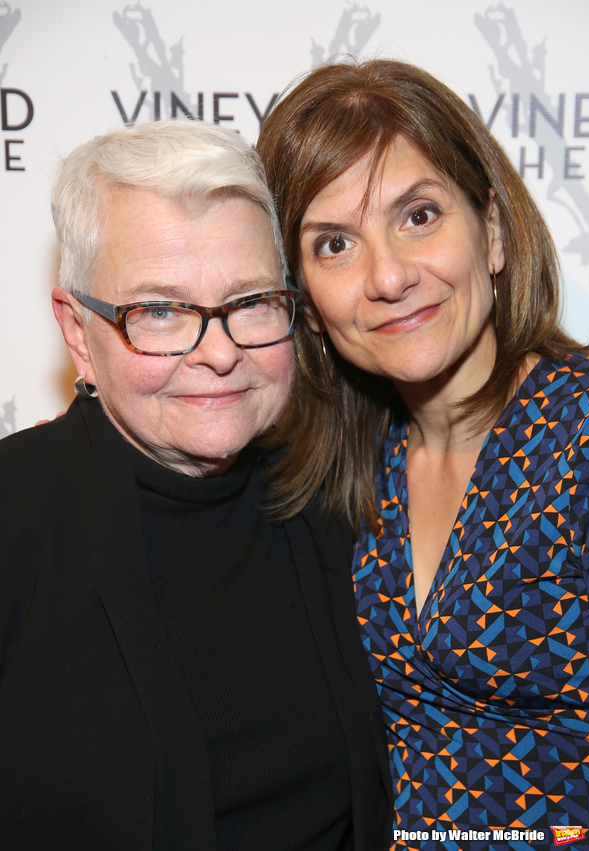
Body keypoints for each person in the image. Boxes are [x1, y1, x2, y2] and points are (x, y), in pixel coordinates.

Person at [0, 121, 392, 850]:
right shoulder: (14, 520)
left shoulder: (338, 496)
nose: (218, 353)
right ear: (79, 334)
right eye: (159, 310)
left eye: (249, 303)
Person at [257, 59, 589, 847]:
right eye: (335, 243)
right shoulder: (349, 465)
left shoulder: (585, 437)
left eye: (418, 215)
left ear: (496, 232)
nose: (388, 276)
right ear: (305, 304)